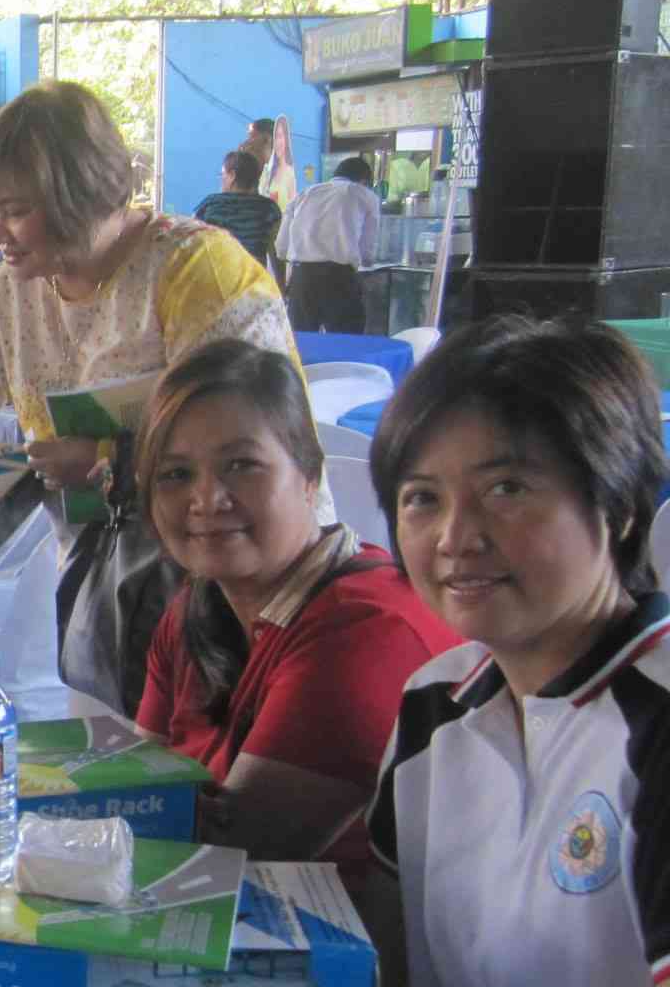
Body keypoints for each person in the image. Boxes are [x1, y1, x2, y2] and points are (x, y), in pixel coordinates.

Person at [221, 315, 670, 987]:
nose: (453, 536)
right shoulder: (437, 706)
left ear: (615, 504)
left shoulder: (655, 729)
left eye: (506, 488)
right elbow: (384, 970)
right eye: (421, 497)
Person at [0, 83, 316, 701]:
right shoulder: (11, 289)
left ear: (79, 195)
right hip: (114, 587)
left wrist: (106, 462)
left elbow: (261, 435)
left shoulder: (195, 268)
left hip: (244, 587)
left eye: (15, 210)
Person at [133, 339, 457, 865]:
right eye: (175, 475)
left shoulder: (366, 629)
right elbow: (132, 792)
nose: (207, 499)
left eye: (241, 465)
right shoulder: (195, 609)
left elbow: (235, 854)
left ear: (310, 477)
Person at [275, 156, 380, 335]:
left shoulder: (305, 193)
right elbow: (367, 252)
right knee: (345, 343)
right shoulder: (365, 195)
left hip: (302, 278)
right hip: (339, 279)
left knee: (301, 343)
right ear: (364, 181)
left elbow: (281, 248)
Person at [192, 150, 284, 266]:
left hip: (216, 273)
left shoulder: (208, 205)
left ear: (232, 175)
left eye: (222, 174)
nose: (221, 179)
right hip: (252, 275)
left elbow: (191, 244)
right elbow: (277, 255)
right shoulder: (269, 209)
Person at [263, 113, 299, 211]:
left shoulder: (290, 173)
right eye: (275, 137)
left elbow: (293, 210)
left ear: (286, 139)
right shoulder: (267, 171)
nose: (277, 142)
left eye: (280, 136)